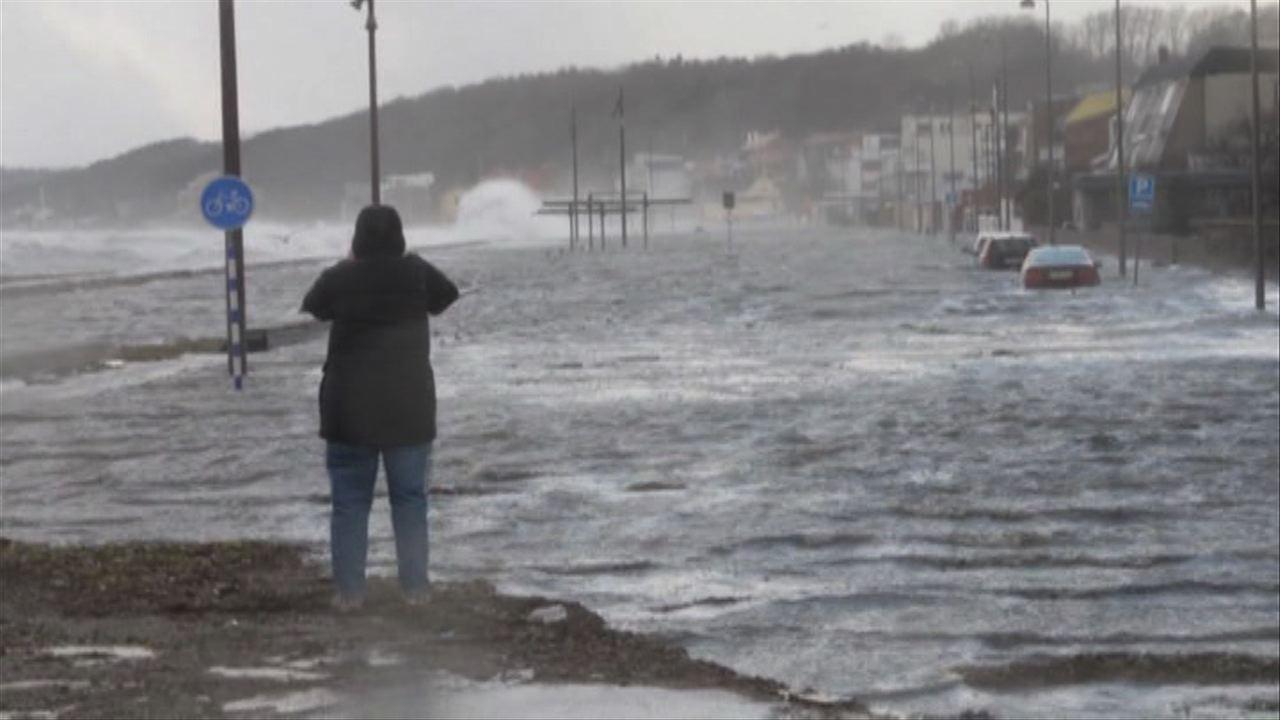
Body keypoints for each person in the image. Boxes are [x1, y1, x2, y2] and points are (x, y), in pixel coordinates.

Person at [302, 205, 459, 610]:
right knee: (409, 501)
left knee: (350, 504)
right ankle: (416, 590)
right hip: (408, 406)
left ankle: (351, 594)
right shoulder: (416, 272)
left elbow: (314, 306)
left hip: (349, 410)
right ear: (400, 236)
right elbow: (447, 296)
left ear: (357, 238)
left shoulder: (339, 277)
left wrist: (350, 267)